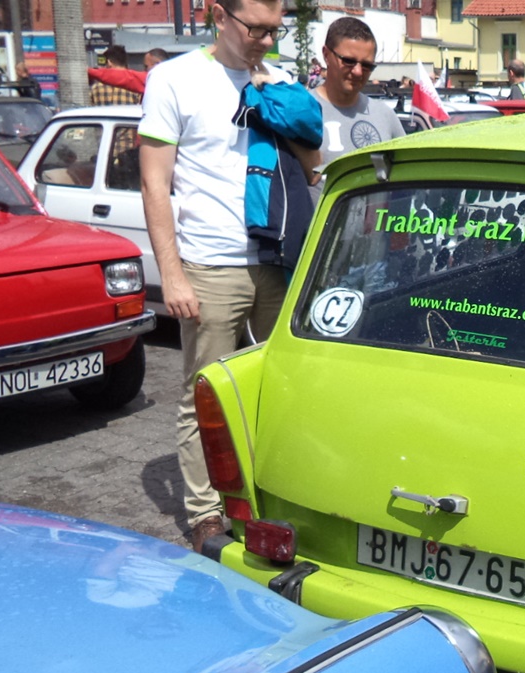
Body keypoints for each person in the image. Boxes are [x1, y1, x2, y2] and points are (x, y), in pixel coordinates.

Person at [139, 0, 319, 552]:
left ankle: (268, 499)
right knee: (205, 395)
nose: (266, 39)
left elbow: (310, 168)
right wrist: (171, 275)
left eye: (274, 29)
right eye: (255, 28)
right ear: (219, 16)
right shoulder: (175, 80)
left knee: (278, 394)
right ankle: (206, 514)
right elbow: (154, 185)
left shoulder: (281, 81)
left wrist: (281, 102)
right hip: (210, 265)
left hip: (277, 260)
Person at [312, 16, 404, 200]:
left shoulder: (385, 115)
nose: (358, 72)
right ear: (326, 55)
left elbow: (403, 187)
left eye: (367, 65)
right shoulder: (300, 111)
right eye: (348, 61)